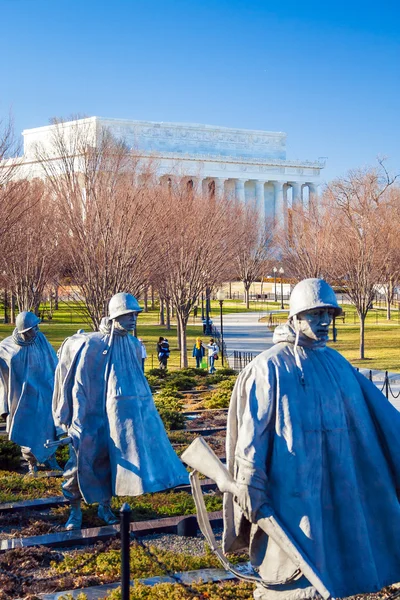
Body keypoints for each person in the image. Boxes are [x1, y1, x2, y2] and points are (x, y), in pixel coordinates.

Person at [223, 278, 400, 599]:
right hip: (292, 490)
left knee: (334, 562)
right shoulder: (268, 367)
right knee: (291, 577)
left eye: (328, 315)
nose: (323, 322)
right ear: (294, 317)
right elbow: (252, 435)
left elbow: (379, 421)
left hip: (337, 483)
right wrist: (249, 480)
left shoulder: (336, 363)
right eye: (314, 314)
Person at [53, 293, 188, 530]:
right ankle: (74, 511)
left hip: (121, 421)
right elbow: (79, 387)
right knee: (79, 465)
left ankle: (104, 507)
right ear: (115, 316)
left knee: (110, 464)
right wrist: (76, 421)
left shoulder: (135, 346)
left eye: (135, 315)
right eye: (128, 315)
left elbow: (139, 386)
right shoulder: (93, 345)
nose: (133, 319)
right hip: (91, 418)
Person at [0, 311, 61, 476]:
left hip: (45, 393)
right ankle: (31, 463)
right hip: (23, 399)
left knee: (49, 428)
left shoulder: (40, 339)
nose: (37, 329)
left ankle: (51, 459)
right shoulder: (6, 349)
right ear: (24, 331)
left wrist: (58, 384)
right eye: (34, 327)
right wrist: (4, 406)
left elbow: (53, 361)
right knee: (27, 429)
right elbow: (3, 380)